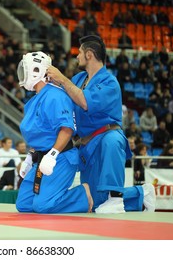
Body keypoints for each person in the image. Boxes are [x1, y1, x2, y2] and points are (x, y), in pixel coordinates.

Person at [46, 35, 156, 213]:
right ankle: (141, 194)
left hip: (107, 136)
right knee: (96, 203)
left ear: (89, 54)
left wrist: (62, 78)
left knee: (111, 141)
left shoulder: (110, 82)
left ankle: (116, 197)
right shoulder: (79, 79)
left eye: (79, 53)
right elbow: (65, 97)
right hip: (86, 144)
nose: (77, 57)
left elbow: (84, 101)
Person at [15, 51, 93, 214]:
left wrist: (52, 155)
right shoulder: (33, 101)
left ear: (36, 70)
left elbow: (66, 129)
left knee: (43, 206)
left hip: (60, 158)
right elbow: (41, 135)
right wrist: (30, 157)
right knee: (23, 204)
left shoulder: (56, 96)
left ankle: (83, 195)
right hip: (40, 159)